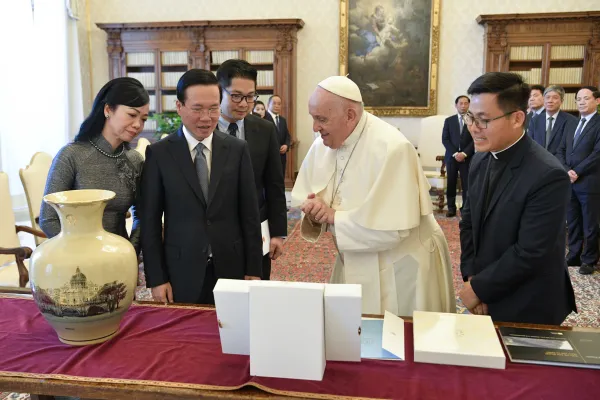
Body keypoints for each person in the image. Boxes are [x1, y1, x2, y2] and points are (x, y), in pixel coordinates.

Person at [291, 76, 455, 316]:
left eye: (321, 119)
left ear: (350, 115)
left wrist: (334, 217)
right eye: (313, 117)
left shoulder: (393, 147)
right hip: (354, 256)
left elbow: (393, 230)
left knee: (402, 341)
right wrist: (315, 207)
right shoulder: (322, 143)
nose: (315, 128)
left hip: (401, 262)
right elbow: (310, 196)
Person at [459, 72, 576, 325]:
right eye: (470, 117)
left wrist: (479, 289)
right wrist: (471, 277)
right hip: (486, 288)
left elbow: (531, 251)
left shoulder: (548, 174)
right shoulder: (481, 158)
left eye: (483, 120)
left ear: (517, 118)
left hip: (528, 300)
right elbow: (467, 222)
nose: (473, 128)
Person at [140, 69, 262, 305]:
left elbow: (250, 214)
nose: (206, 118)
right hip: (180, 270)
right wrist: (156, 278)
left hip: (231, 267)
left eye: (213, 108)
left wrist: (253, 269)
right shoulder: (159, 154)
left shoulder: (237, 150)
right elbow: (150, 221)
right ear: (179, 106)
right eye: (197, 109)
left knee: (232, 337)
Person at [40, 77, 149, 255]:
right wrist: (86, 255)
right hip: (76, 258)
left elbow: (143, 215)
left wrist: (131, 250)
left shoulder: (135, 161)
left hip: (120, 257)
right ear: (108, 110)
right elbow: (48, 219)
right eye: (132, 115)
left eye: (143, 119)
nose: (138, 125)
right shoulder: (71, 155)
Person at [216, 59, 287, 280]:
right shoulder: (204, 129)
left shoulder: (264, 129)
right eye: (236, 96)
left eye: (250, 96)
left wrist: (277, 233)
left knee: (255, 293)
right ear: (219, 91)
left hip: (256, 226)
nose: (244, 104)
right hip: (215, 229)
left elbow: (274, 185)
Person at [556, 86, 600, 275]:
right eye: (578, 99)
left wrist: (577, 171)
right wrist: (567, 170)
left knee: (590, 223)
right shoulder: (572, 123)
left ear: (597, 101)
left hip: (590, 182)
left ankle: (589, 259)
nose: (581, 102)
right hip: (570, 181)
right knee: (572, 220)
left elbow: (598, 153)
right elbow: (561, 150)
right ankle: (573, 254)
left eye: (586, 98)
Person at [442, 95, 474, 217]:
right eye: (461, 103)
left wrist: (464, 153)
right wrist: (455, 153)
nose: (463, 105)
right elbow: (445, 139)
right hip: (452, 157)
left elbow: (475, 139)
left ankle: (465, 209)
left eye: (466, 103)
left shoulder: (473, 120)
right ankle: (451, 208)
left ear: (469, 105)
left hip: (467, 157)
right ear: (456, 105)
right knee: (451, 183)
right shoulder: (449, 121)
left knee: (467, 183)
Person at [529, 85, 578, 158]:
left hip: (559, 164)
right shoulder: (535, 120)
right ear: (543, 99)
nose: (550, 101)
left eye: (555, 98)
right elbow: (530, 143)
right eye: (547, 97)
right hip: (537, 162)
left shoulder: (571, 120)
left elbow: (568, 147)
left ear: (561, 101)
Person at [267, 95, 291, 177]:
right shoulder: (264, 118)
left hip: (281, 157)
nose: (277, 106)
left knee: (280, 180)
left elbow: (287, 136)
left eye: (279, 104)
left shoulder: (282, 120)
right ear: (268, 104)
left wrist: (286, 145)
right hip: (269, 157)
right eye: (274, 103)